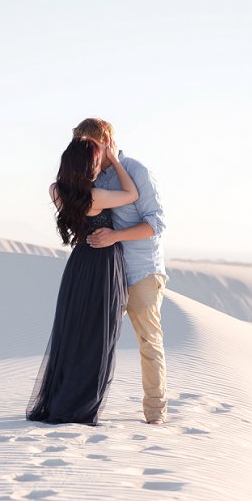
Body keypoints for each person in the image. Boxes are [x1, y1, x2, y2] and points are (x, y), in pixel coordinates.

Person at [26, 135, 140, 426]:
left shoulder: (57, 190)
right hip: (102, 265)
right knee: (96, 336)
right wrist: (114, 159)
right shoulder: (96, 196)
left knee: (74, 333)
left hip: (78, 266)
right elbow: (132, 194)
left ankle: (64, 398)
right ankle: (77, 405)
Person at [76, 118, 169, 425]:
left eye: (90, 145)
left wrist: (114, 237)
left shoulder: (137, 171)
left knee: (148, 340)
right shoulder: (92, 179)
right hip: (108, 274)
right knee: (97, 341)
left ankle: (155, 413)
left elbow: (156, 224)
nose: (85, 151)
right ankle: (85, 407)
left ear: (106, 143)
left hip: (142, 271)